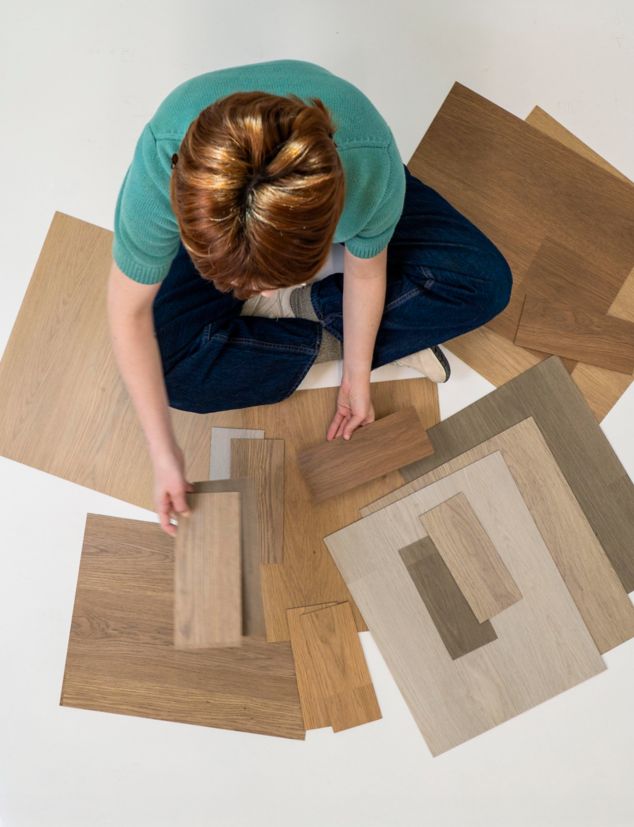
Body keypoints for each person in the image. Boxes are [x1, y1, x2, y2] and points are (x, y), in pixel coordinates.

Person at [107, 58, 512, 537]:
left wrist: (357, 375)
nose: (259, 292)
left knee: (485, 283)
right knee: (167, 373)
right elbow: (127, 314)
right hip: (208, 196)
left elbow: (366, 273)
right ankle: (379, 327)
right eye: (249, 289)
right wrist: (163, 452)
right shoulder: (162, 169)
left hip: (340, 171)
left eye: (271, 285)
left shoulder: (368, 168)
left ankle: (294, 317)